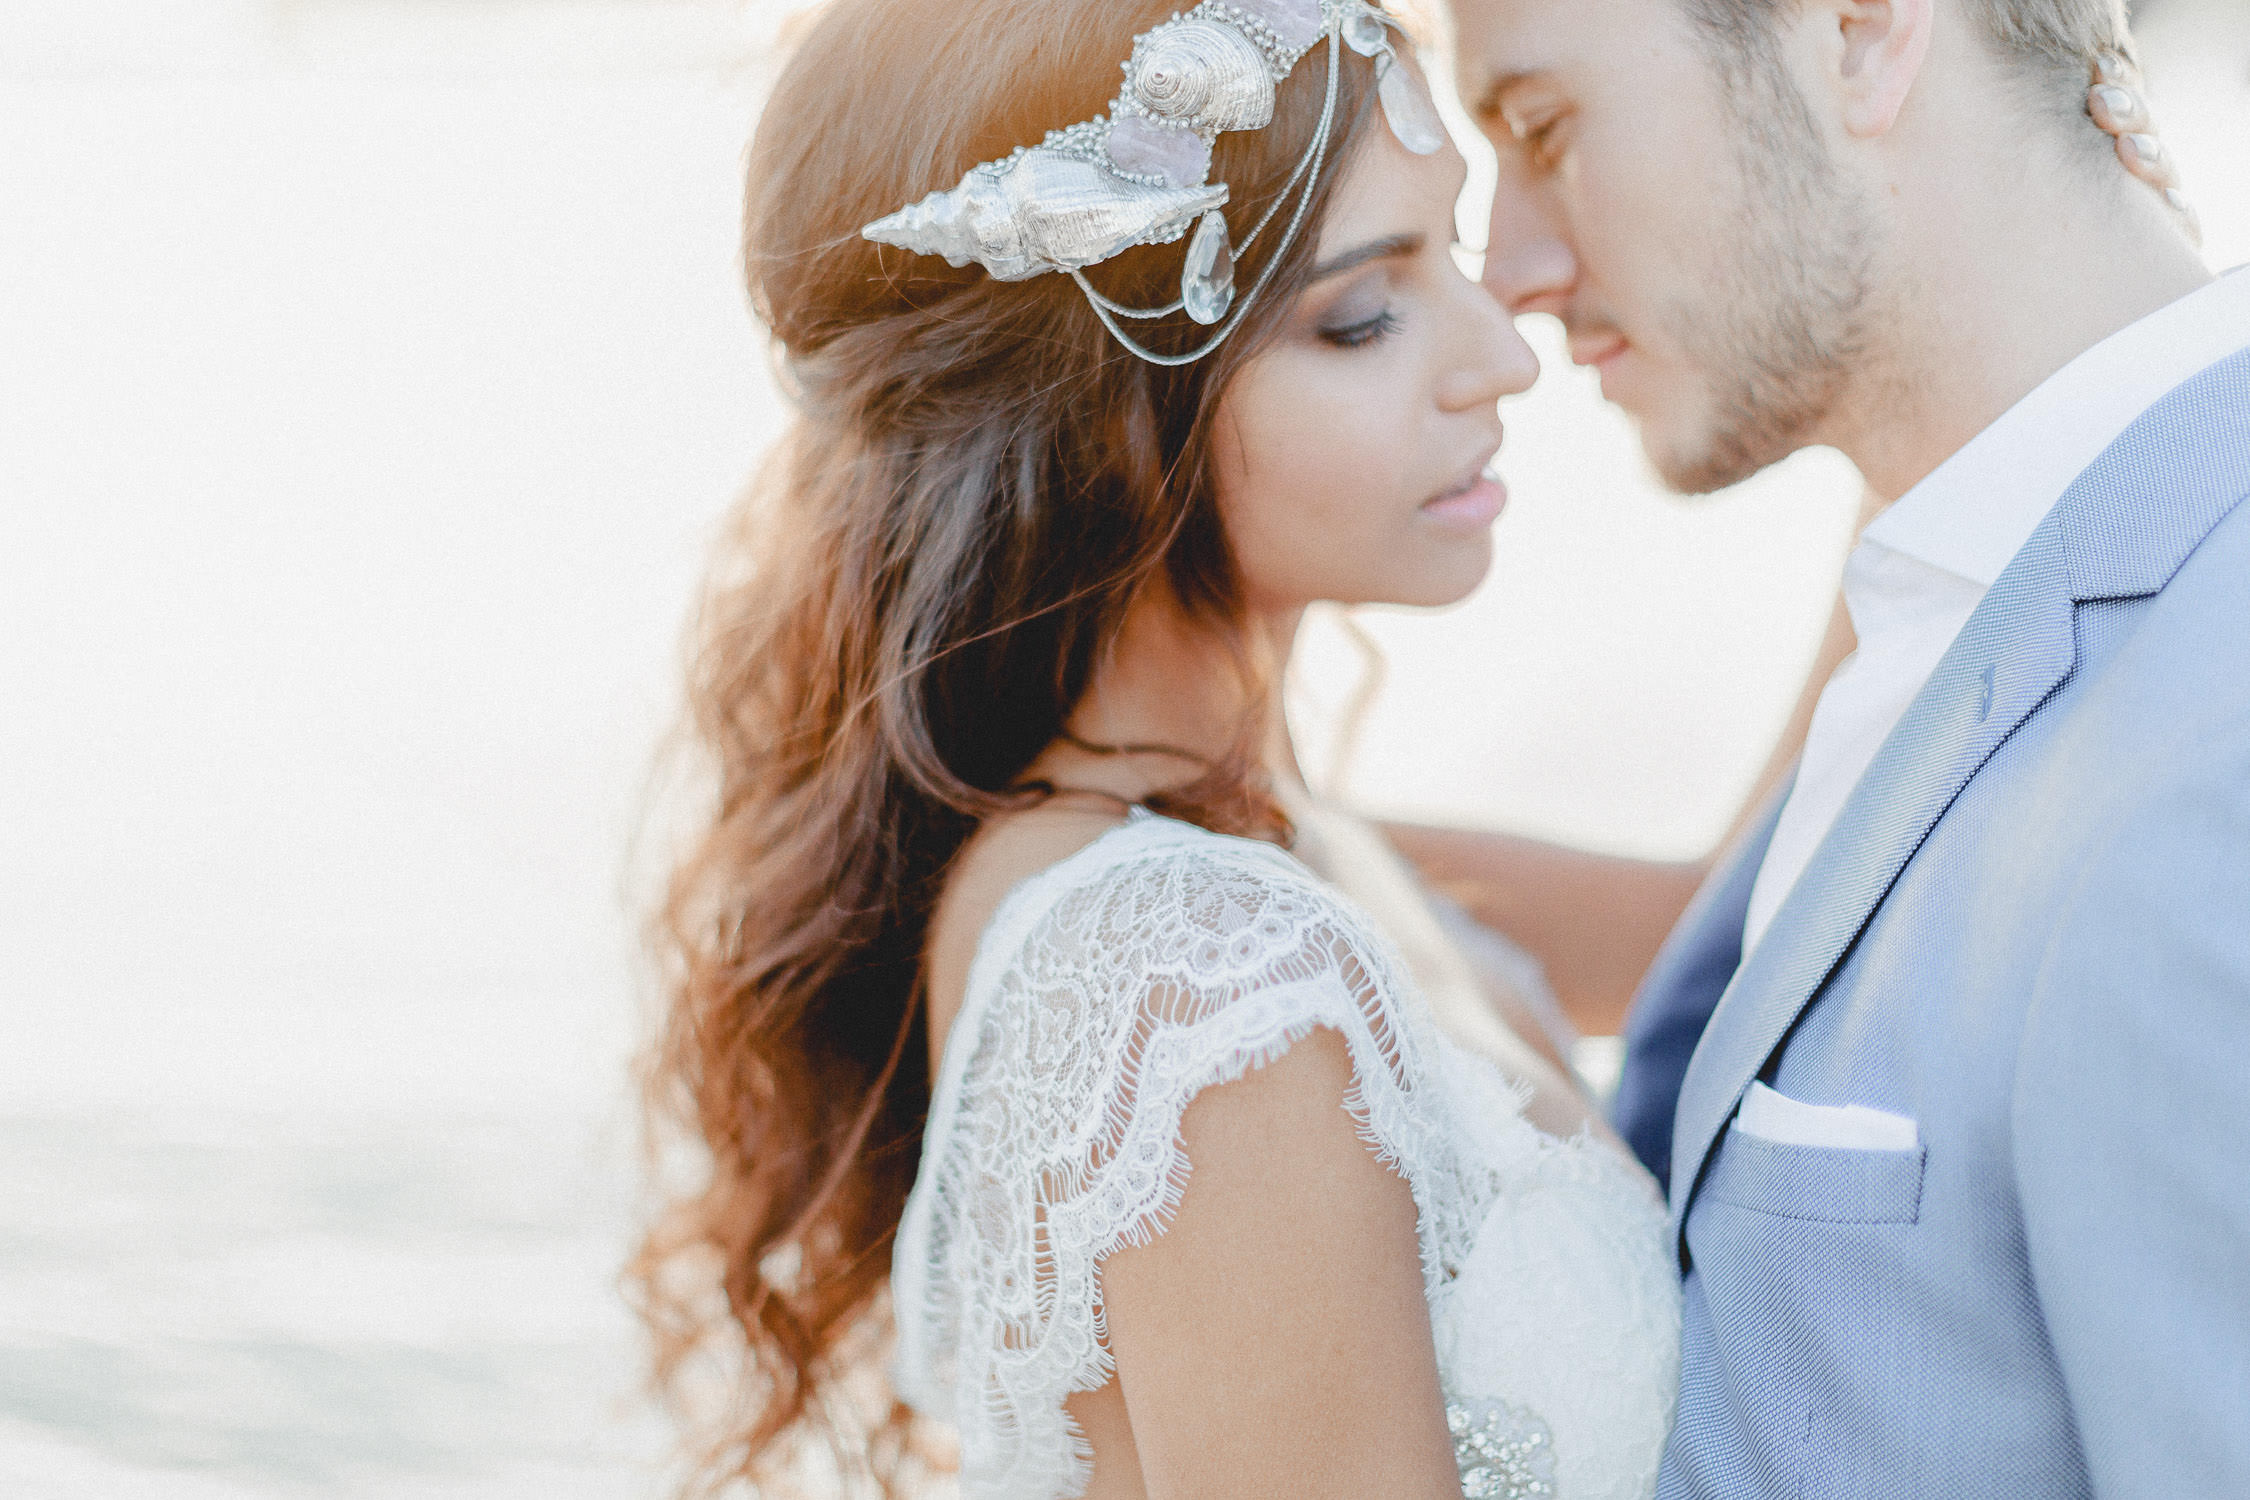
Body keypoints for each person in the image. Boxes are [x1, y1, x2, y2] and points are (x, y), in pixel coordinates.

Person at [634, 2, 1682, 1496]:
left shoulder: (1268, 854)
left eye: (1448, 256)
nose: (1498, 359)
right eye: (1361, 316)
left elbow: (1748, 911)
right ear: (1102, 413)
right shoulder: (1199, 989)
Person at [1432, 0, 2250, 1491]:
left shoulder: (2215, 743)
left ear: (1862, 35)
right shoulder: (1948, 569)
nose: (1510, 271)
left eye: (1544, 130)